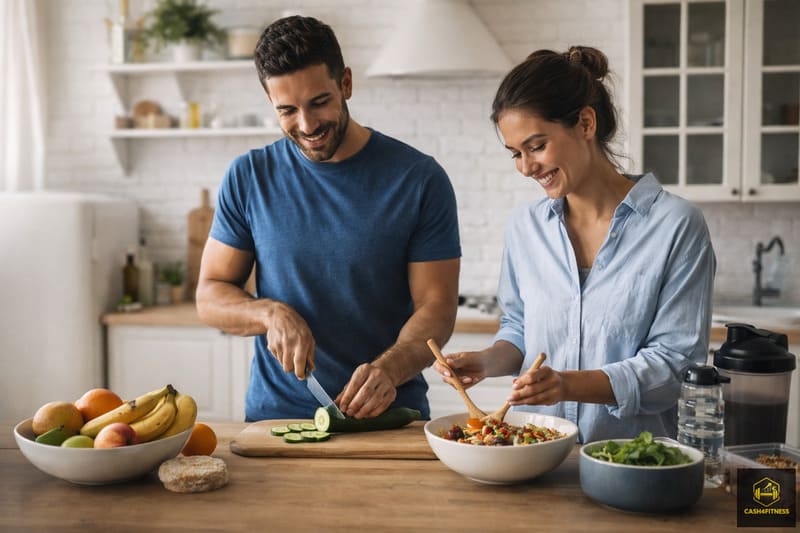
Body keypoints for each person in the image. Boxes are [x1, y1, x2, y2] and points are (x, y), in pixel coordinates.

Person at [433, 46, 716, 443]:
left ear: (585, 123)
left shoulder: (675, 226)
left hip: (631, 465)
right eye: (515, 153)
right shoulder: (525, 227)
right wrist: (486, 361)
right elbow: (519, 331)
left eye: (536, 146)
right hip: (535, 460)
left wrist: (568, 385)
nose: (526, 167)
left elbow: (673, 367)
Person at [196, 15, 461, 421]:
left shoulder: (419, 179)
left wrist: (389, 370)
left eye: (319, 102)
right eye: (287, 110)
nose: (306, 125)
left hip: (389, 418)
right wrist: (268, 313)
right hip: (278, 421)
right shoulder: (249, 176)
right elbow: (210, 294)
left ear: (346, 84)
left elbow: (437, 307)